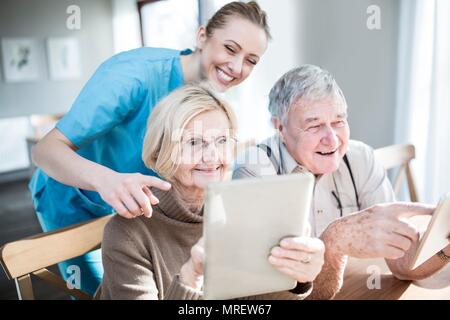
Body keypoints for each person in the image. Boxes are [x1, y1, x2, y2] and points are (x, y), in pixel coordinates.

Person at [29, 1, 270, 295]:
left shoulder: (207, 97)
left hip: (138, 202)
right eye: (230, 49)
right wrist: (108, 181)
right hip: (74, 197)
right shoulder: (133, 75)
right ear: (202, 36)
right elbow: (45, 151)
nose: (236, 67)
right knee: (97, 289)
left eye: (251, 60)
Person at [232, 65, 450, 299]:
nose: (332, 139)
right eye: (314, 126)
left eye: (338, 122)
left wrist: (444, 248)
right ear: (280, 128)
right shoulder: (254, 173)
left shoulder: (361, 158)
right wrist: (333, 242)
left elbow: (401, 265)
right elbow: (269, 296)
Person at [100, 84, 325, 300]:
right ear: (161, 151)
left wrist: (296, 277)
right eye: (194, 142)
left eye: (222, 141)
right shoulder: (126, 233)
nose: (212, 157)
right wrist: (192, 275)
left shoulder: (239, 210)